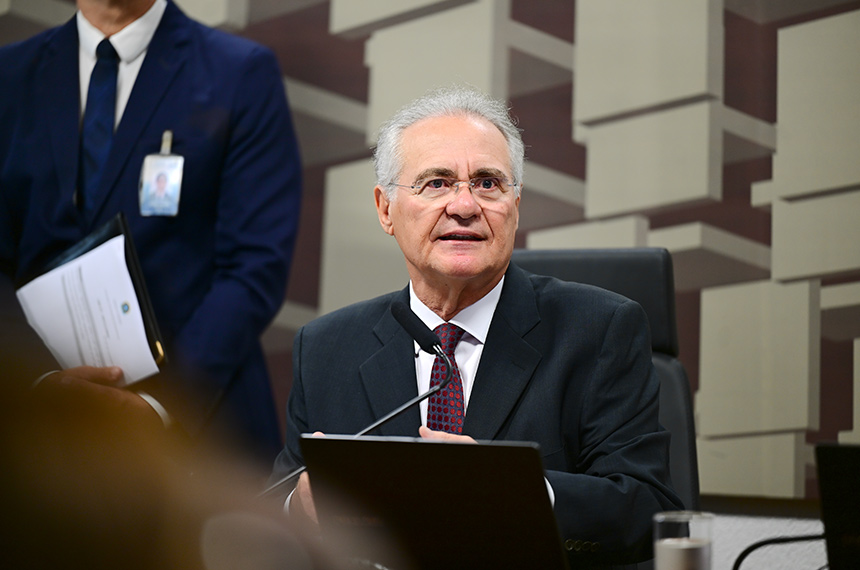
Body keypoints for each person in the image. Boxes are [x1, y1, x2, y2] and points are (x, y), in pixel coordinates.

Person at [269, 86, 683, 568]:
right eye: (436, 183)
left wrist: (518, 491)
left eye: (487, 183)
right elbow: (269, 514)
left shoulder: (600, 330)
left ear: (516, 205)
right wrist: (298, 508)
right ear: (386, 209)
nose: (464, 205)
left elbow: (650, 511)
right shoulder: (326, 348)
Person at [0, 0, 302, 464]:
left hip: (195, 433)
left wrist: (161, 404)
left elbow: (254, 264)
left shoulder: (239, 71)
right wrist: (40, 382)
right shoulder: (10, 74)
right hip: (35, 431)